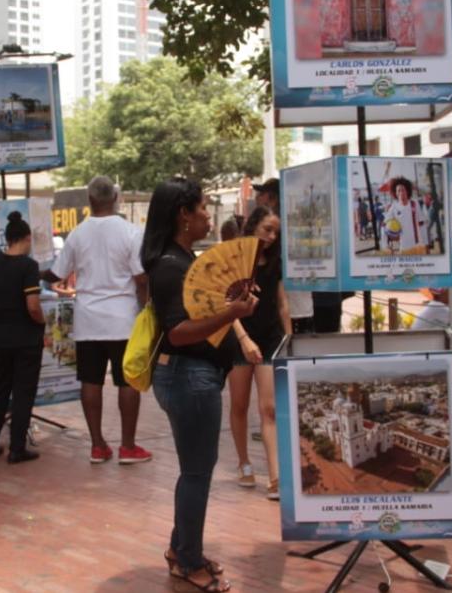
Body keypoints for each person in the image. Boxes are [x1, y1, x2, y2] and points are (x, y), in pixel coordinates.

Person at [144, 176, 256, 593]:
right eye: (203, 208)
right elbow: (178, 333)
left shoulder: (181, 259)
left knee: (196, 470)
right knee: (196, 473)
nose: (209, 215)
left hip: (193, 376)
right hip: (188, 377)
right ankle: (189, 562)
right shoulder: (170, 267)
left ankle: (181, 549)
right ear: (183, 215)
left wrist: (233, 306)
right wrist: (232, 314)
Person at [43, 176, 151, 464]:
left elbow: (56, 274)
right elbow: (141, 278)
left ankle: (97, 446)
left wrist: (29, 272)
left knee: (90, 381)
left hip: (87, 320)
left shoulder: (77, 235)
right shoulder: (132, 232)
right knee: (128, 382)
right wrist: (147, 310)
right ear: (115, 198)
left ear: (89, 200)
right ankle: (128, 447)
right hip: (123, 320)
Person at [228, 206, 290, 500]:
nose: (272, 236)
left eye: (276, 232)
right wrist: (243, 339)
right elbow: (226, 306)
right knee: (239, 404)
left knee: (269, 408)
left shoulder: (276, 262)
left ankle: (275, 475)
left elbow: (282, 304)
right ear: (253, 225)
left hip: (270, 337)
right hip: (240, 339)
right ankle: (243, 462)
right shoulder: (235, 259)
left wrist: (289, 339)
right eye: (267, 229)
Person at [0, 211, 47, 464]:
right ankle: (17, 448)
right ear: (27, 239)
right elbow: (33, 306)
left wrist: (0, 311)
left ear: (7, 239)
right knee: (23, 393)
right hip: (26, 339)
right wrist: (42, 323)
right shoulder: (29, 267)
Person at [253, 177, 315, 334]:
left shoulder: (286, 227)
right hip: (286, 310)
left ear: (272, 198)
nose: (257, 198)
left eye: (261, 194)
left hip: (293, 309)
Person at [383, 177, 423, 253]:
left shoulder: (414, 204)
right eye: (398, 190)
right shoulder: (394, 207)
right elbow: (384, 225)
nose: (401, 192)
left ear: (407, 191)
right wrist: (386, 245)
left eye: (403, 189)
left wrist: (426, 242)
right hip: (403, 246)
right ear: (395, 193)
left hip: (417, 244)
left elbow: (422, 223)